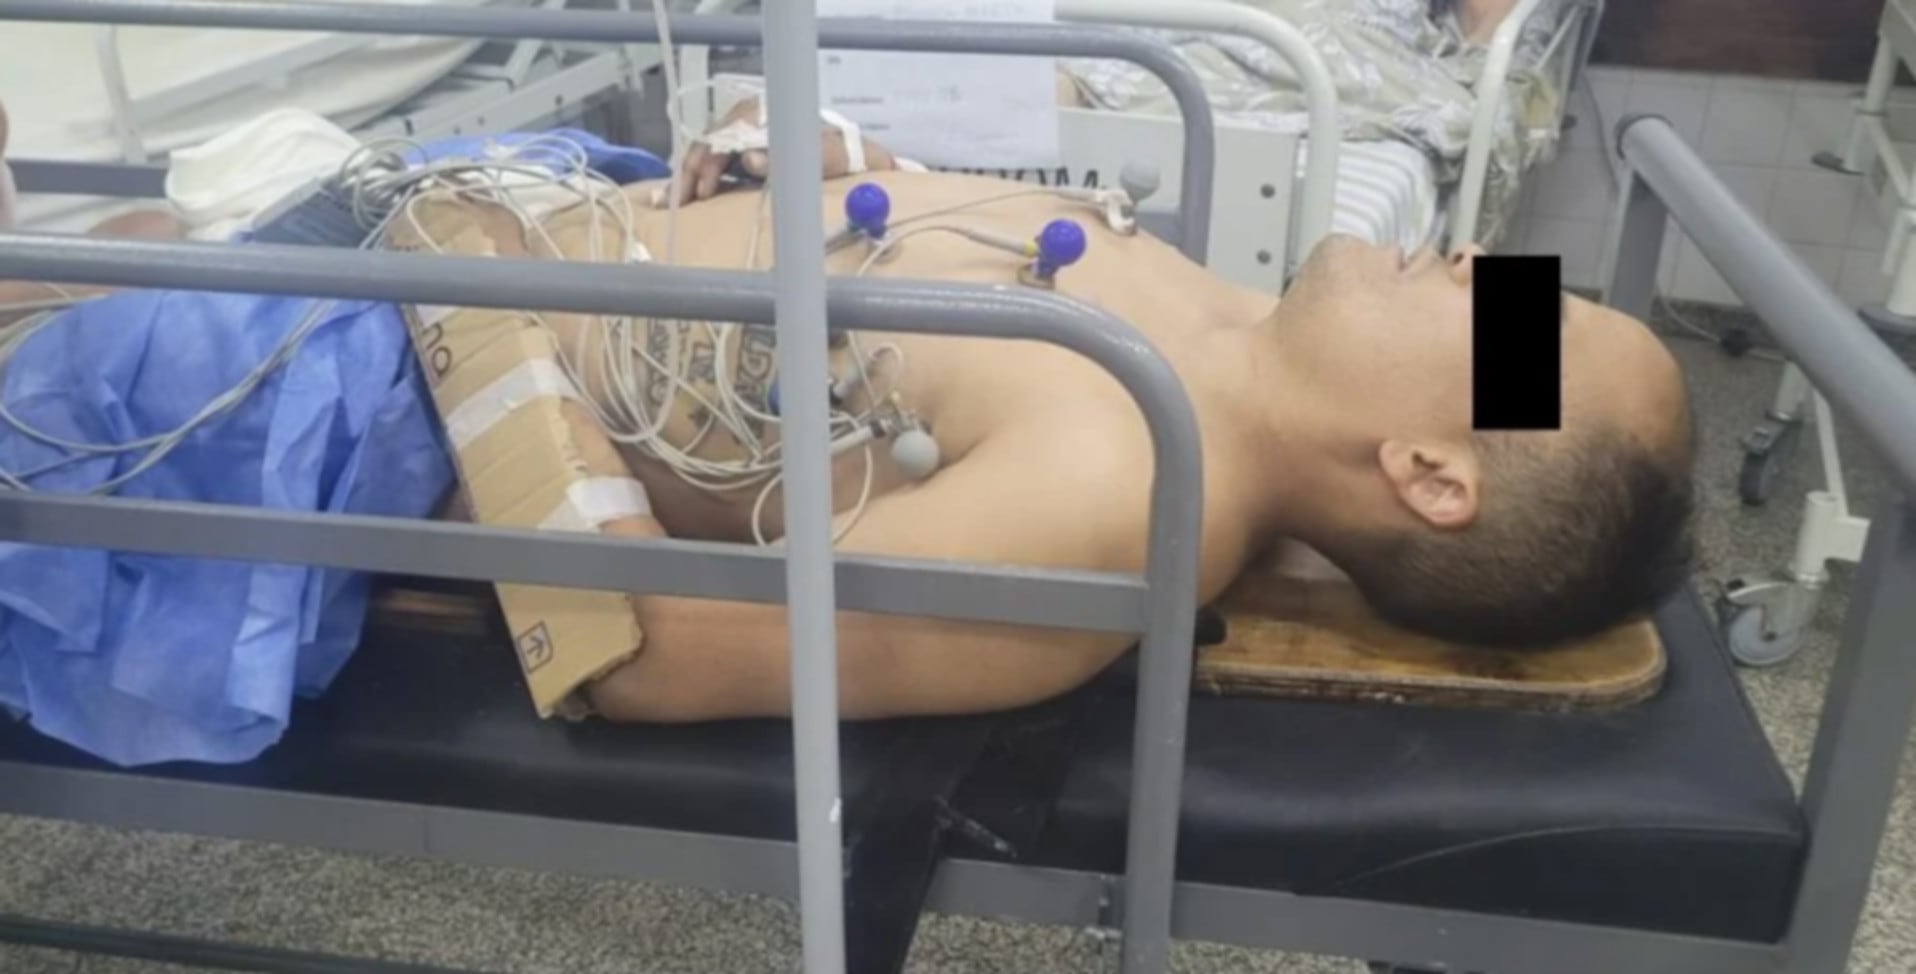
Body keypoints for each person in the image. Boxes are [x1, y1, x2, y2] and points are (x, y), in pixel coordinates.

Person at [530, 107, 1699, 724]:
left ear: (1429, 474)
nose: (1481, 258)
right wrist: (857, 169)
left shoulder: (1114, 491)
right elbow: (957, 287)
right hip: (553, 189)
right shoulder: (1217, 328)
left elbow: (648, 653)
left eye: (1526, 326)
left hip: (448, 323)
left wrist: (490, 334)